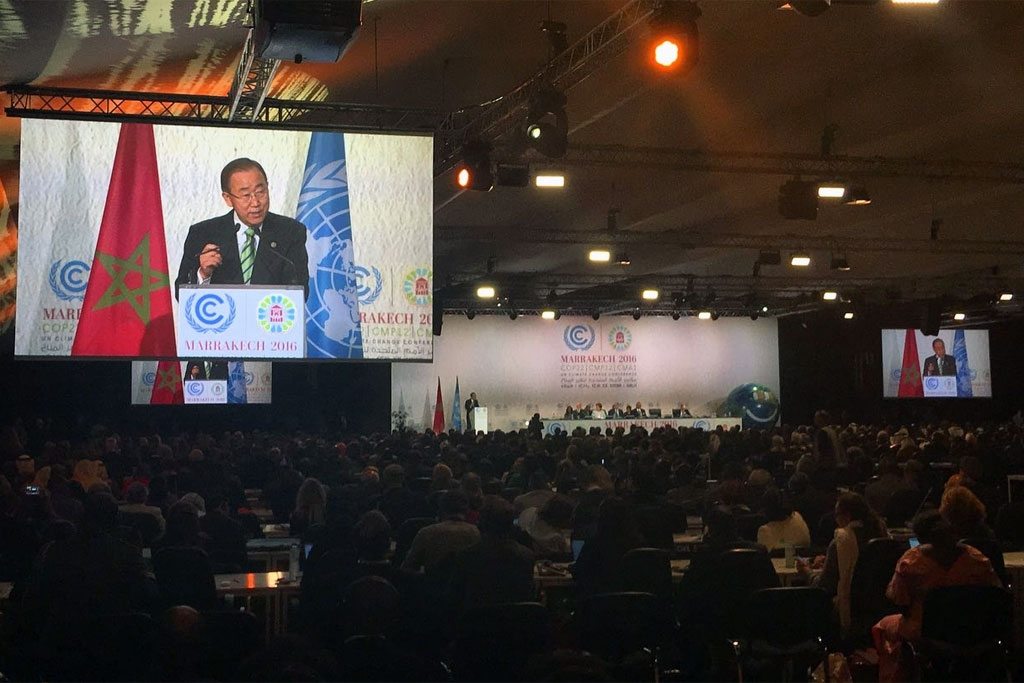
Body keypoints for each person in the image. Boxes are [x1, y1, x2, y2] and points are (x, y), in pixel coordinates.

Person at [872, 511, 1000, 682]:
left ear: (921, 538)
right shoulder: (977, 559)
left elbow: (899, 600)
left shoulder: (912, 561)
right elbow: (994, 593)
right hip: (975, 630)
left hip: (926, 633)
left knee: (883, 626)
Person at [174, 157, 309, 299]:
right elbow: (181, 294)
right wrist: (203, 274)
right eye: (246, 195)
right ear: (228, 198)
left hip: (268, 318)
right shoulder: (203, 233)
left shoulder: (290, 232)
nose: (255, 202)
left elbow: (300, 292)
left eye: (260, 192)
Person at [798, 491, 887, 637]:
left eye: (836, 515)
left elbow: (824, 585)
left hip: (851, 607)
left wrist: (807, 571)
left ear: (847, 516)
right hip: (880, 605)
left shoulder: (842, 539)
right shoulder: (881, 534)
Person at [402, 490, 480, 573]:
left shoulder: (427, 532)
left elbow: (408, 566)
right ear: (467, 510)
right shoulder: (475, 533)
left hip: (432, 584)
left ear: (440, 510)